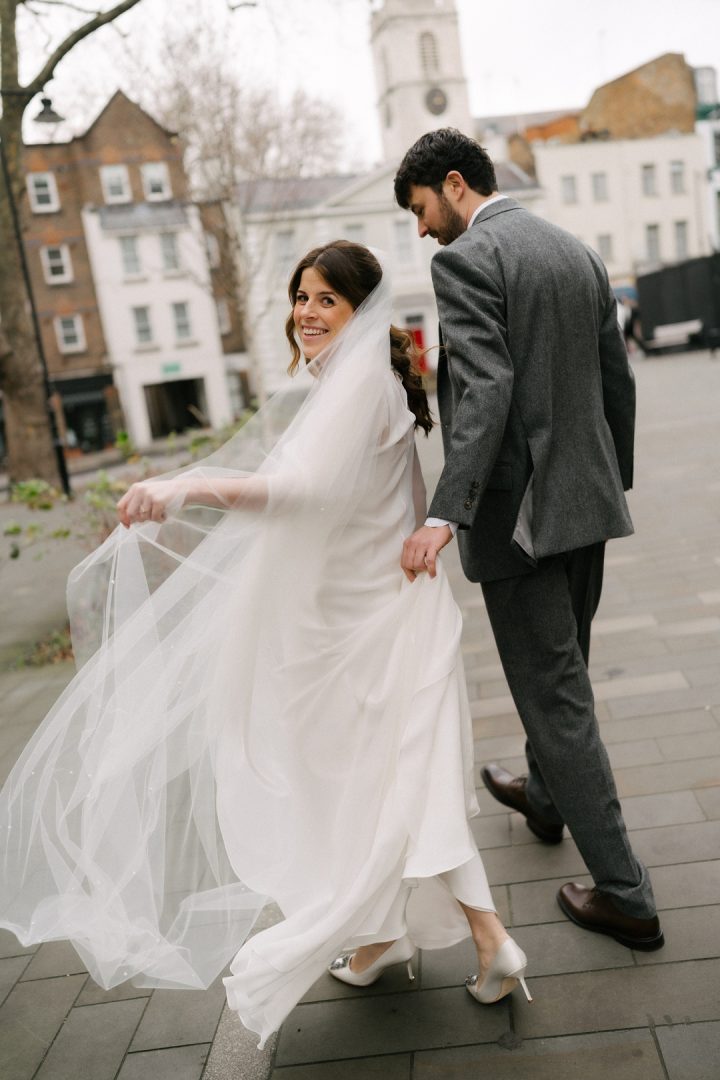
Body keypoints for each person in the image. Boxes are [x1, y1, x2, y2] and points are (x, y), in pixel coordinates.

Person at [0, 241, 531, 1051]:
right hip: (386, 614)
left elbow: (301, 493)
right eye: (301, 296)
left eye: (326, 300)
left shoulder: (358, 387)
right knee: (405, 787)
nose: (307, 313)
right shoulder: (368, 384)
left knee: (385, 788)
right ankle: (441, 939)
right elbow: (397, 500)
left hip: (361, 633)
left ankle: (451, 938)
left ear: (361, 310)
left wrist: (183, 485)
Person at [393, 129, 664, 951]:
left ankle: (627, 896)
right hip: (585, 507)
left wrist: (446, 512)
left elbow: (486, 393)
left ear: (452, 183)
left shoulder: (466, 261)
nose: (421, 229)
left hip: (520, 530)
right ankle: (546, 800)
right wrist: (607, 477)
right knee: (565, 675)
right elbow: (615, 376)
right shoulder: (574, 251)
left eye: (420, 209)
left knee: (556, 702)